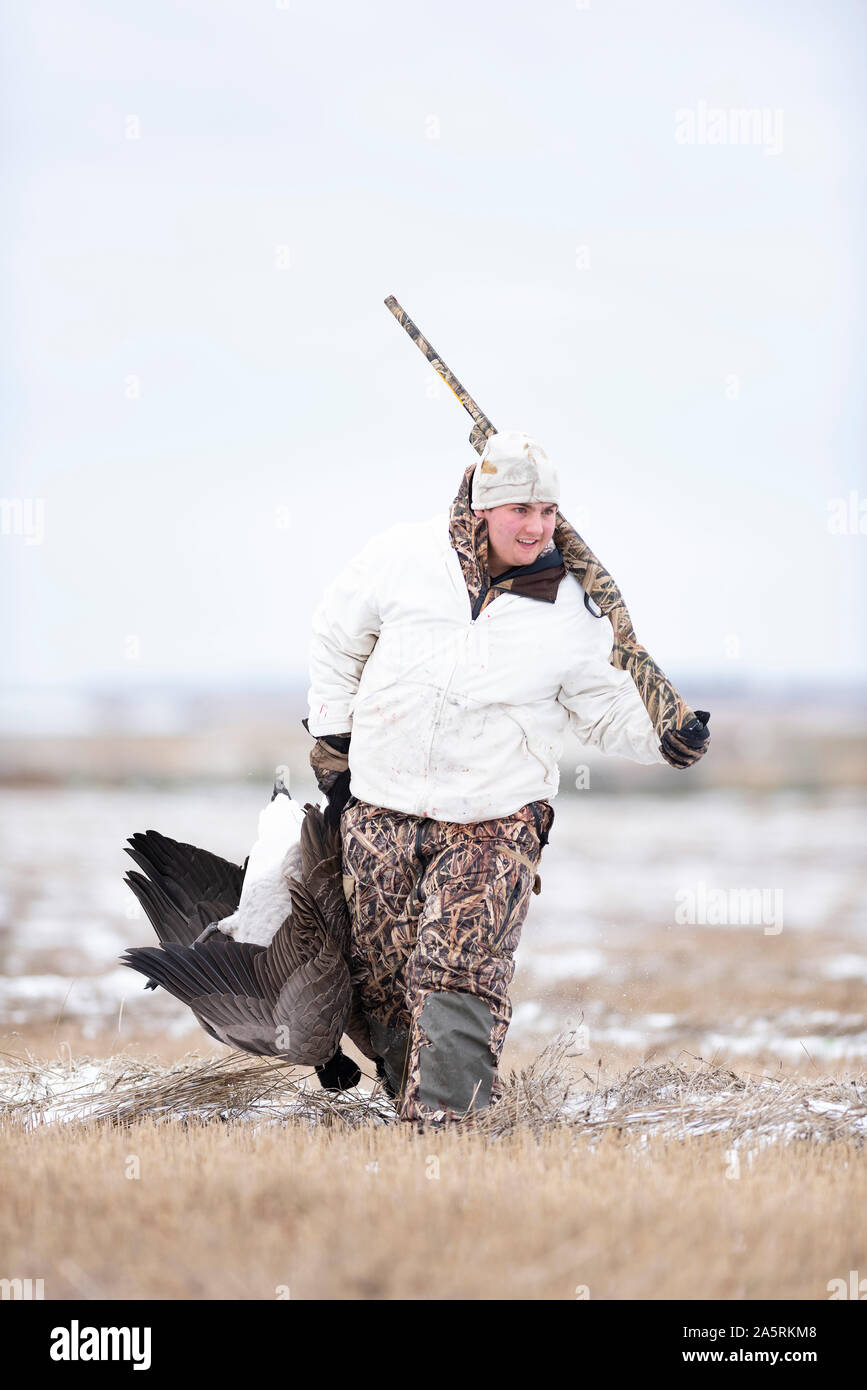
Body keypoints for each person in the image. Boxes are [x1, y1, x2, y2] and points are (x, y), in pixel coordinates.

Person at [304, 430, 709, 1124]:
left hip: (495, 817)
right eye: (520, 509)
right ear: (481, 508)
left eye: (548, 511)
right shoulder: (401, 557)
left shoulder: (571, 607)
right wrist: (335, 734)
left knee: (459, 970)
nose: (536, 526)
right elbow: (338, 639)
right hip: (379, 808)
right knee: (382, 976)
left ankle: (445, 1126)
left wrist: (662, 737)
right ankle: (411, 1095)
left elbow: (601, 706)